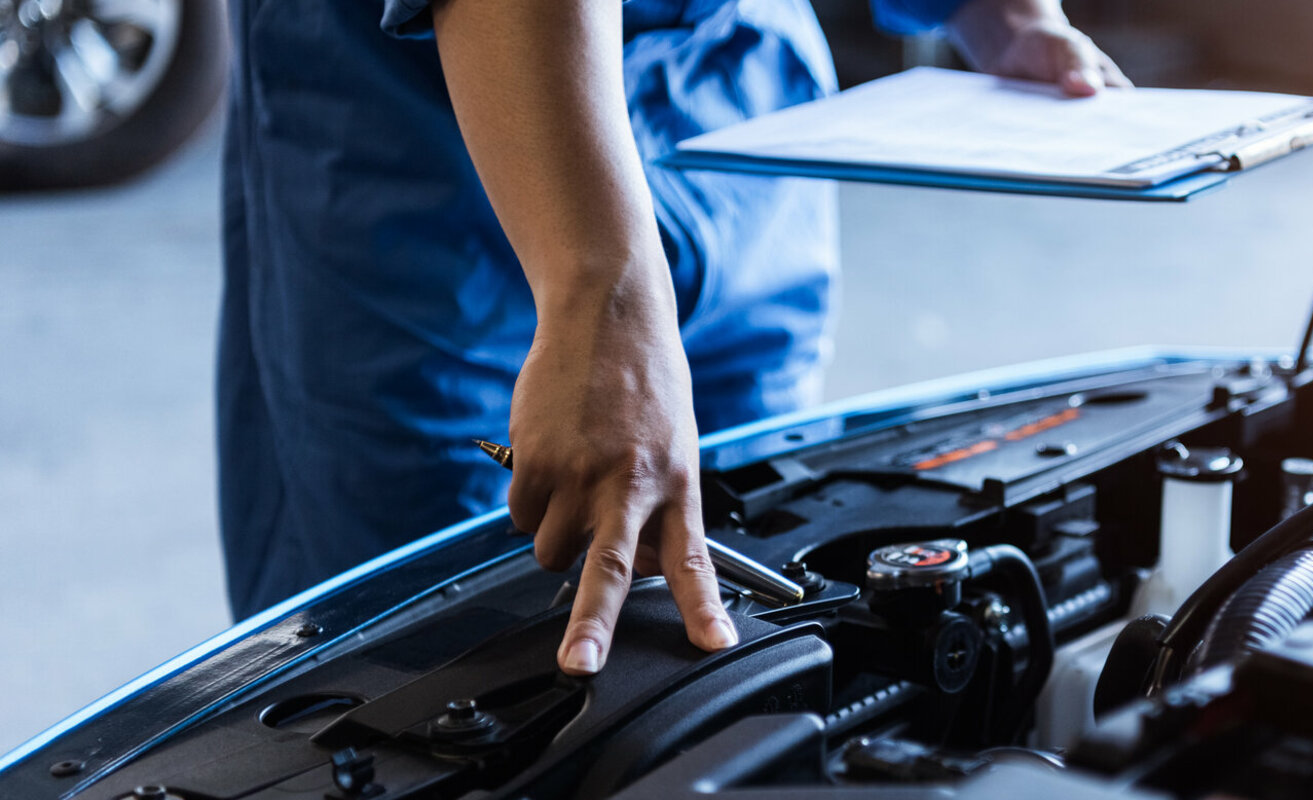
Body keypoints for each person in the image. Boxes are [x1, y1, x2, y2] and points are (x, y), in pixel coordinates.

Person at [217, 0, 1129, 675]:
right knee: (428, 647)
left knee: (754, 566)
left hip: (732, 74)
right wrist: (598, 290)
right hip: (448, 92)